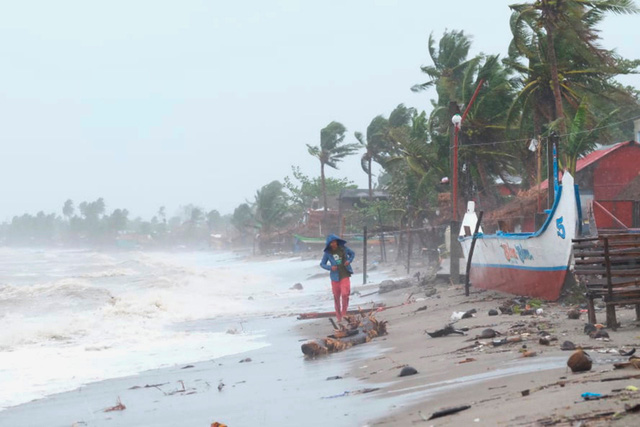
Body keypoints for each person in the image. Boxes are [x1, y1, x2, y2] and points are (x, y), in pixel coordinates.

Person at [320, 234, 355, 322]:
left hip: (345, 274)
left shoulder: (343, 249)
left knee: (345, 294)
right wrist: (330, 267)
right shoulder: (327, 253)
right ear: (329, 244)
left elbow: (352, 254)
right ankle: (338, 317)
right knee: (336, 297)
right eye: (331, 243)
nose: (333, 244)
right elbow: (322, 264)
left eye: (334, 242)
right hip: (335, 277)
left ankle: (344, 313)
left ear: (337, 242)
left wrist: (349, 261)